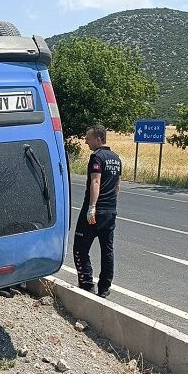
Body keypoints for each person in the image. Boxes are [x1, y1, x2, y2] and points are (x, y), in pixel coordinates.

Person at [73, 124, 122, 297]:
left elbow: (96, 182)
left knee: (79, 248)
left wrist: (92, 207)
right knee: (107, 249)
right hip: (110, 211)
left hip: (95, 212)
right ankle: (104, 288)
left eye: (88, 137)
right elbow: (117, 187)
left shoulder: (97, 157)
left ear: (98, 138)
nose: (86, 141)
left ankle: (86, 284)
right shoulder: (116, 158)